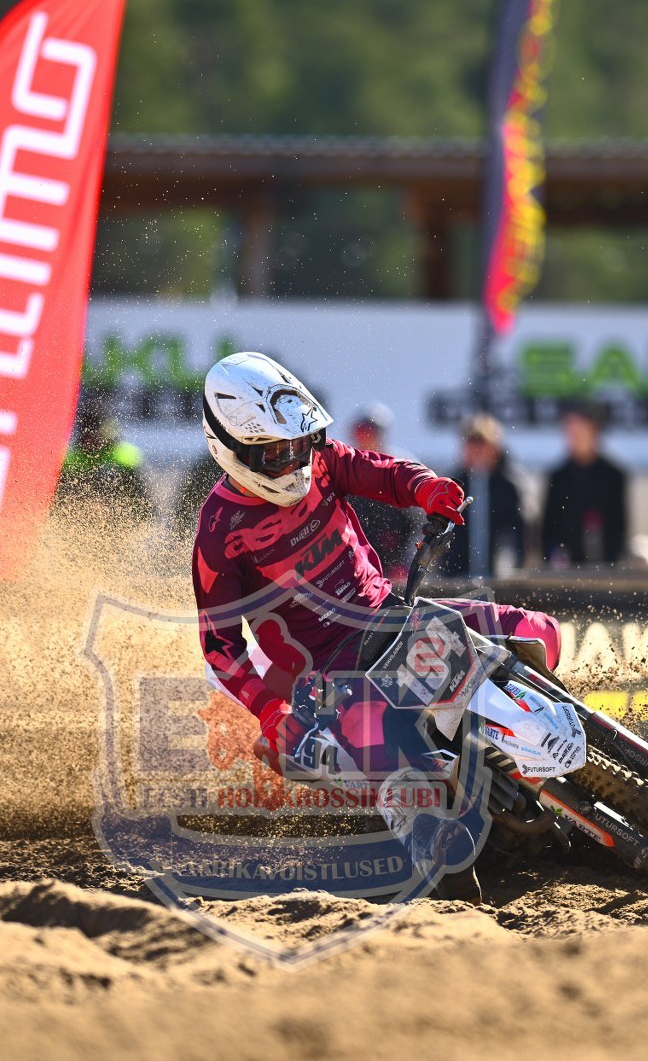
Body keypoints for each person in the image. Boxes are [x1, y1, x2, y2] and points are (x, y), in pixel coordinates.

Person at [191, 352, 563, 900]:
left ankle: (536, 753)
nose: (294, 460)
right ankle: (437, 846)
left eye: (301, 442)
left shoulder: (320, 460)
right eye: (275, 451)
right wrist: (270, 711)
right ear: (231, 447)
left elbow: (383, 471)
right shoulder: (218, 532)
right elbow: (219, 647)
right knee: (403, 775)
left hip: (396, 616)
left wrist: (427, 487)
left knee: (539, 632)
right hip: (331, 676)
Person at [438, 414, 528, 578]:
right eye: (470, 443)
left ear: (495, 449)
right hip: (456, 579)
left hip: (498, 579)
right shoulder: (451, 487)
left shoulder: (510, 486)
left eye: (481, 444)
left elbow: (517, 536)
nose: (476, 451)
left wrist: (508, 571)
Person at [343, 403, 423, 580]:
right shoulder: (345, 466)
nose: (365, 438)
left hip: (396, 561)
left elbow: (419, 521)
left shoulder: (400, 465)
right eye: (361, 432)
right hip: (357, 561)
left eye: (369, 432)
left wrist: (409, 562)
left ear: (380, 435)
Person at [542, 403, 628, 567]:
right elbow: (548, 528)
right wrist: (553, 555)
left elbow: (619, 527)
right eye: (570, 433)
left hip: (603, 566)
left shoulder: (613, 475)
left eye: (580, 432)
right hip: (565, 568)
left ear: (594, 433)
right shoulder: (558, 476)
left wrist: (610, 562)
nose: (574, 438)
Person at [57, 395, 155, 527]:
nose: (91, 438)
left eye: (95, 432)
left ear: (107, 431)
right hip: (77, 525)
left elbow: (146, 506)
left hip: (118, 526)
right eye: (87, 432)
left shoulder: (126, 458)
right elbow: (55, 503)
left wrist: (115, 511)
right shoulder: (70, 460)